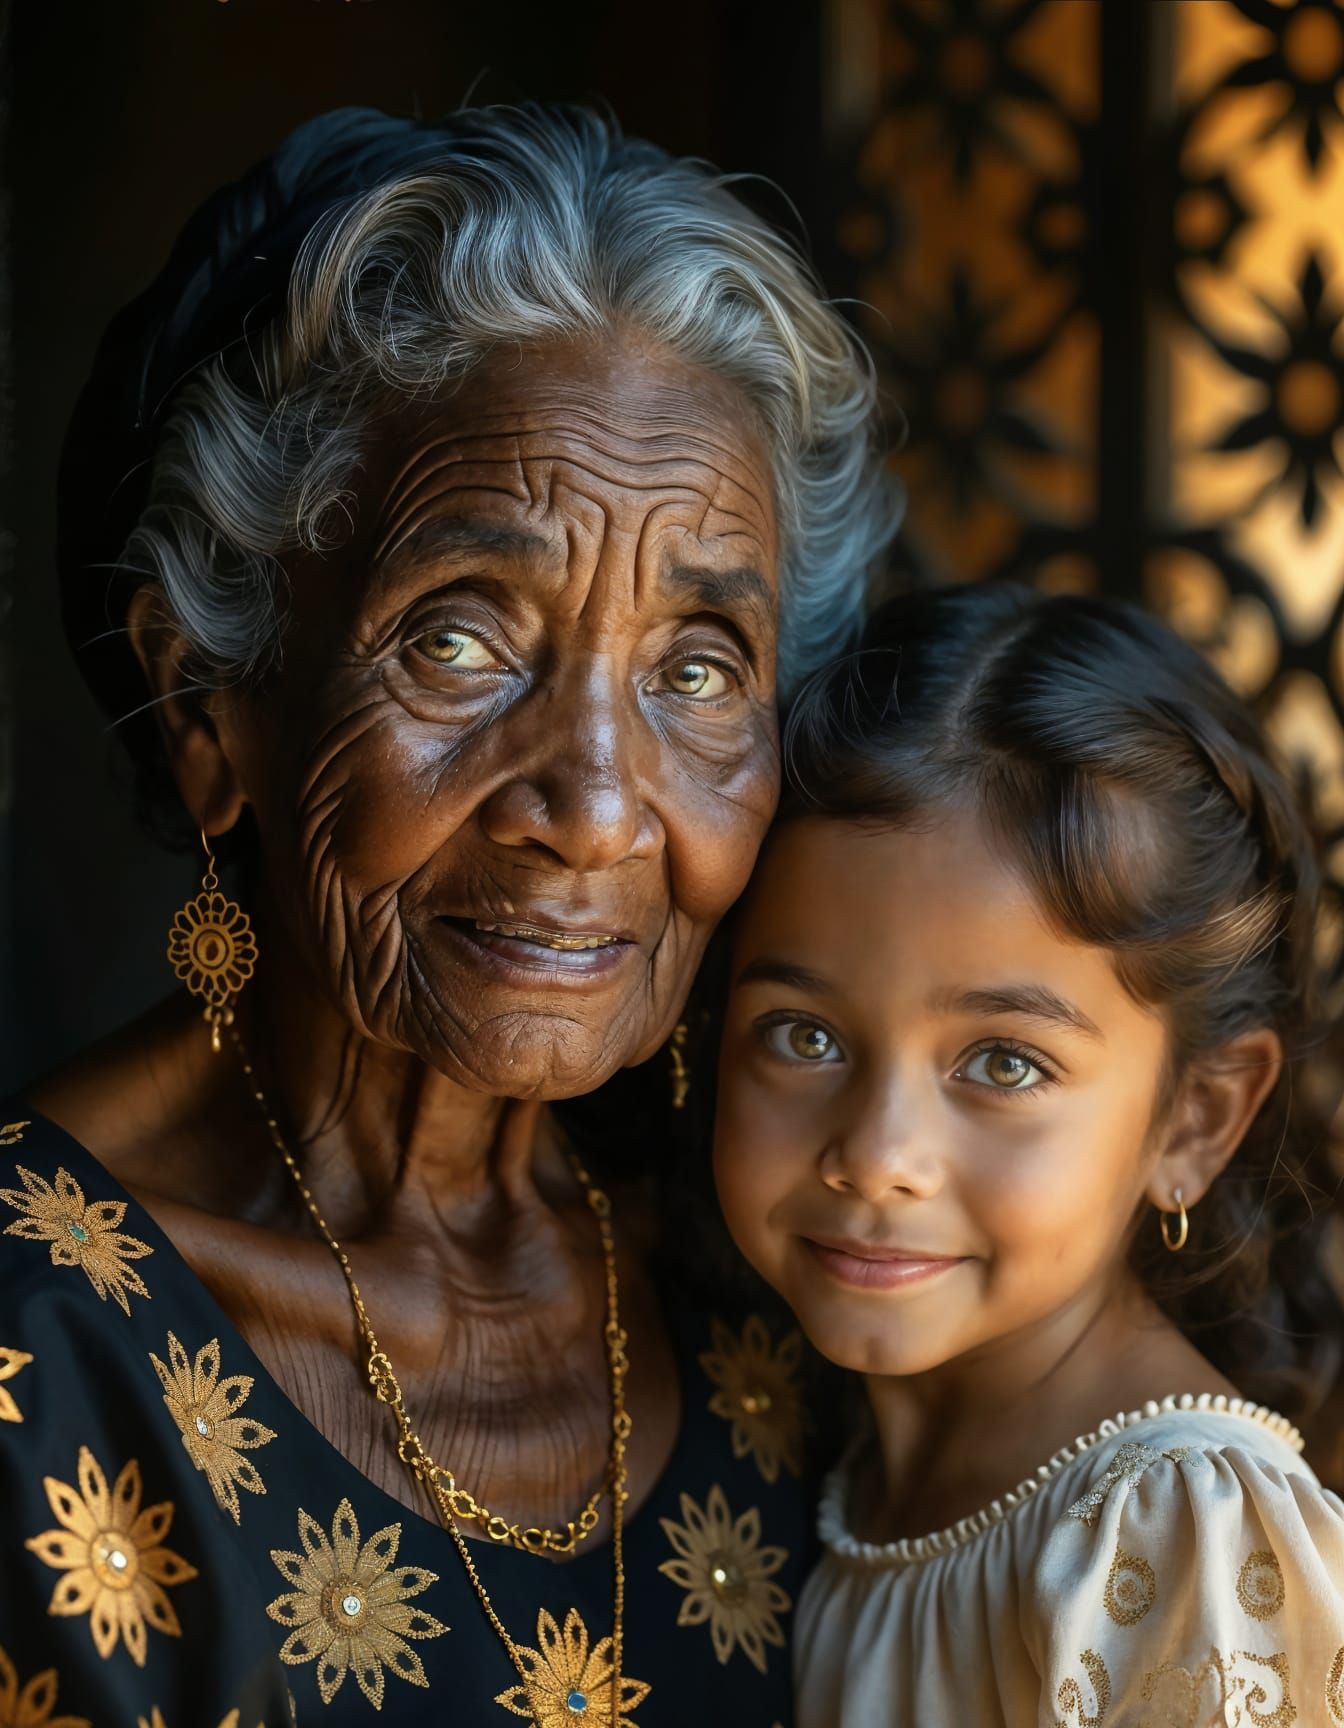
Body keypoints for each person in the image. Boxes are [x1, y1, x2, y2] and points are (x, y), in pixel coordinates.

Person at [0, 104, 895, 1726]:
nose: (599, 805)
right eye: (459, 641)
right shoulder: (38, 1338)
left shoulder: (791, 1291)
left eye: (696, 669)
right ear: (211, 702)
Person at [712, 585, 1344, 1726]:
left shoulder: (1178, 1536)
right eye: (804, 1038)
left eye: (1003, 1064)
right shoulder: (817, 1455)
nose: (876, 1156)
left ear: (1193, 1121)